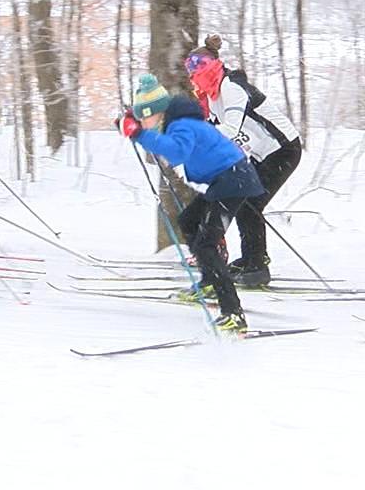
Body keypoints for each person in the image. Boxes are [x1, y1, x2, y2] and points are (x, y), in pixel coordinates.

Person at [117, 73, 265, 332]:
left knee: (206, 244)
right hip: (226, 180)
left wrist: (138, 133)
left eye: (144, 117)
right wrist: (133, 126)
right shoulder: (177, 123)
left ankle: (233, 313)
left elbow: (176, 151)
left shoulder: (181, 125)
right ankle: (209, 282)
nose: (143, 123)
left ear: (156, 112)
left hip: (233, 180)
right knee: (188, 221)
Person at [185, 35, 301, 286]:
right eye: (189, 69)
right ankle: (252, 260)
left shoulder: (232, 88)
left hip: (283, 149)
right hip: (261, 153)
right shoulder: (213, 96)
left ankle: (257, 265)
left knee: (250, 203)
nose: (192, 75)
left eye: (197, 67)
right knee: (245, 202)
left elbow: (230, 129)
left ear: (212, 66)